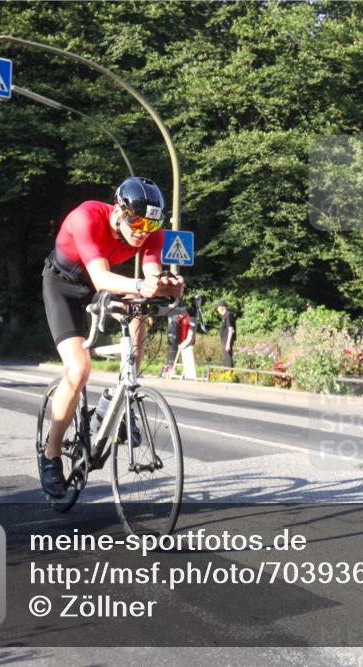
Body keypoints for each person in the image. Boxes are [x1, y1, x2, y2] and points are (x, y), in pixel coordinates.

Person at [40, 176, 185, 498]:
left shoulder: (150, 231)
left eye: (150, 224)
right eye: (136, 221)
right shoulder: (87, 216)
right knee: (78, 370)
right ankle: (51, 455)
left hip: (100, 287)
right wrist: (138, 286)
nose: (142, 230)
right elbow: (101, 277)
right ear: (119, 210)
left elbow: (150, 273)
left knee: (140, 313)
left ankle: (123, 394)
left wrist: (165, 285)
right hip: (63, 285)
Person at [218, 300, 236, 368]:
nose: (217, 310)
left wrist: (228, 343)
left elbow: (231, 330)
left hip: (227, 340)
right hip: (224, 341)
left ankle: (229, 376)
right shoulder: (225, 316)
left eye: (218, 308)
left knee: (227, 359)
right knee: (226, 359)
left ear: (222, 307)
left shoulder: (228, 315)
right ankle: (227, 375)